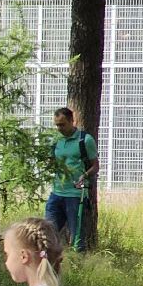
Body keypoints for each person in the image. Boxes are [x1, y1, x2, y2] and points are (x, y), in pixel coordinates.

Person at [46, 107, 98, 254]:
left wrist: (85, 176)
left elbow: (95, 166)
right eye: (57, 125)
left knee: (77, 238)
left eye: (62, 124)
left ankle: (79, 263)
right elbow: (52, 162)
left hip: (75, 196)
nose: (59, 128)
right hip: (56, 193)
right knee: (47, 235)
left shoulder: (85, 140)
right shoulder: (56, 140)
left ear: (71, 121)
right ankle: (50, 262)